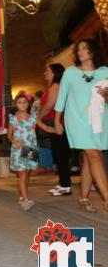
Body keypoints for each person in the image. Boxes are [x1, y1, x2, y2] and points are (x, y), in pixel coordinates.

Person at [54, 39, 108, 213]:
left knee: (89, 157)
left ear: (93, 51)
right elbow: (61, 97)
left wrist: (105, 95)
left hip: (99, 120)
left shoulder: (105, 72)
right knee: (94, 155)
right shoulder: (70, 73)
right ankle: (107, 199)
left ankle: (83, 198)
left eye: (84, 48)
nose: (80, 51)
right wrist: (57, 120)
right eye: (79, 49)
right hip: (77, 118)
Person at [7, 93, 55, 211]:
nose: (22, 104)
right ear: (16, 104)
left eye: (24, 102)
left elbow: (45, 127)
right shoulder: (13, 118)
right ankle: (26, 200)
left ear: (28, 104)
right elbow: (8, 135)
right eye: (19, 102)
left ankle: (23, 196)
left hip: (30, 149)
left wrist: (57, 129)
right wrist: (14, 141)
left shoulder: (33, 117)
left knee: (27, 173)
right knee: (22, 173)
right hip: (18, 148)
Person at [38, 63, 72, 196]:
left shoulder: (56, 85)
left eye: (47, 70)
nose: (45, 73)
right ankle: (62, 183)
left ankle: (66, 185)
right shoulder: (53, 86)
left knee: (61, 155)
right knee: (57, 155)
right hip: (53, 123)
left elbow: (49, 105)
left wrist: (37, 118)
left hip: (58, 123)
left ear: (54, 72)